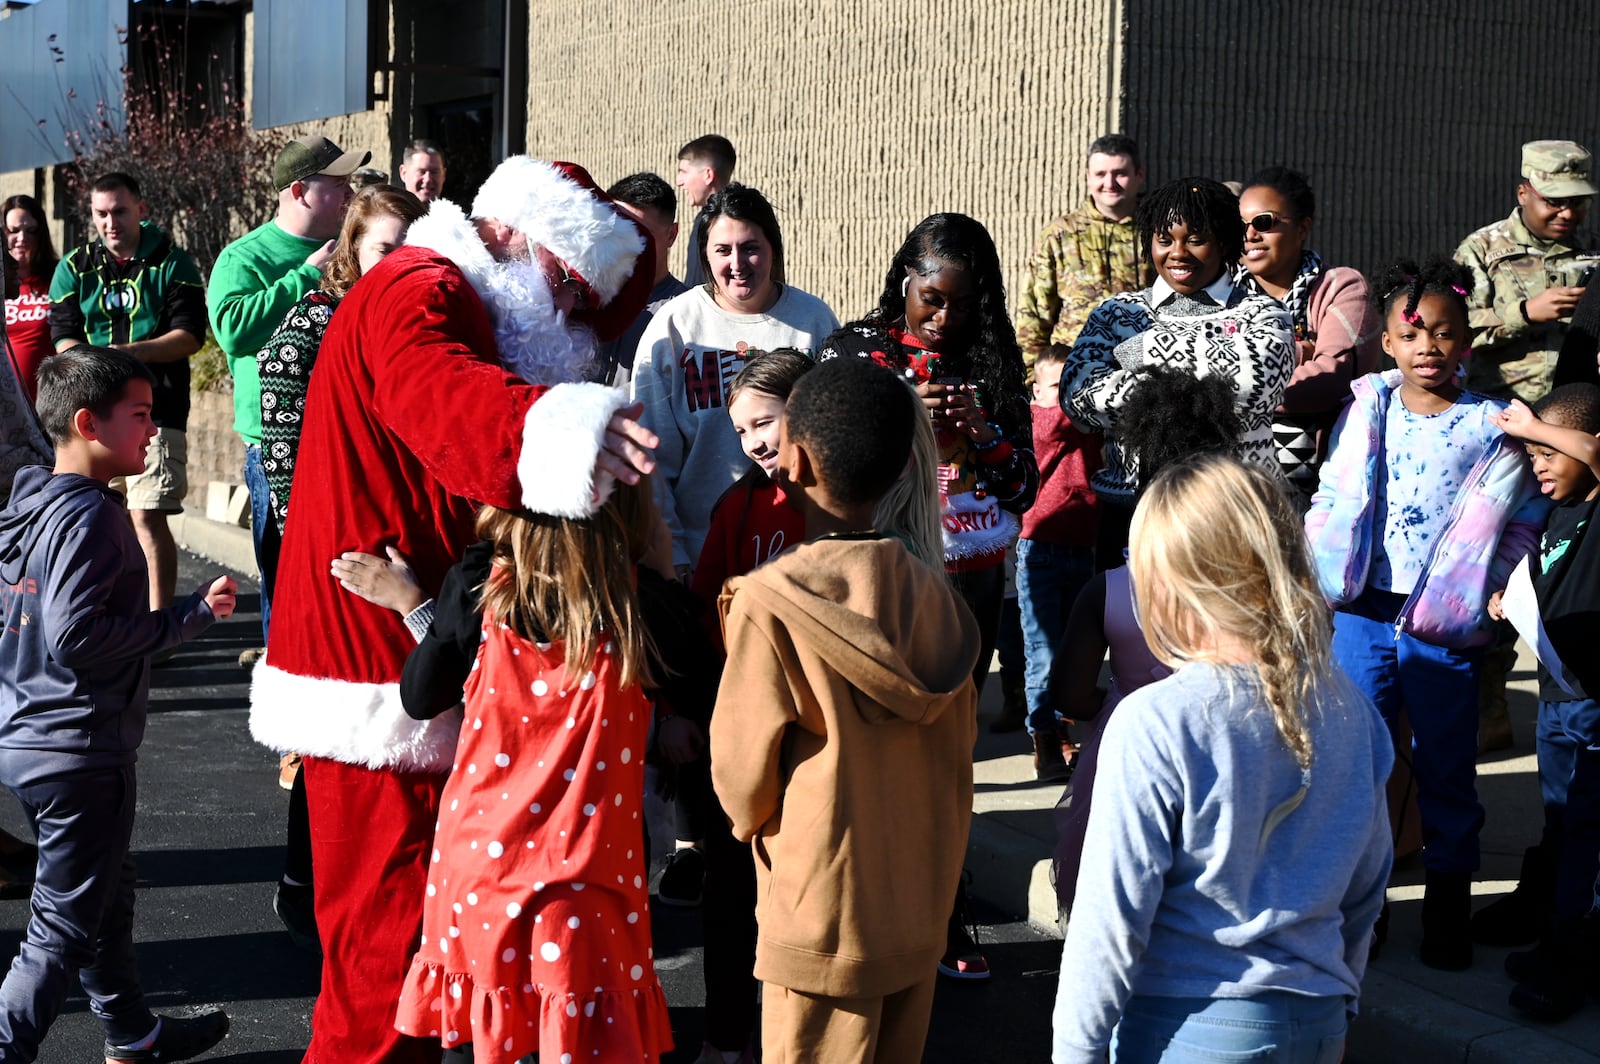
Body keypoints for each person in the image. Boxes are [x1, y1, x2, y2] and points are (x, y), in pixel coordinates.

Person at [245, 155, 657, 1064]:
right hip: (370, 678)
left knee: (425, 964)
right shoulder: (420, 287)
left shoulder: (462, 300)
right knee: (382, 970)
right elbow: (434, 391)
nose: (567, 315)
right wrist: (552, 432)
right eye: (565, 284)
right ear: (515, 234)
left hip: (413, 657)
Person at [1052, 454, 1393, 1064]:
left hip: (1185, 1023)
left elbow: (1110, 922)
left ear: (1169, 579)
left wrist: (1075, 1051)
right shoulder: (1352, 711)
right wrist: (1340, 1002)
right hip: (1317, 1019)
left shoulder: (1156, 717)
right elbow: (1365, 889)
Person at [710, 355, 979, 1064]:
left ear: (793, 460)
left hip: (819, 916)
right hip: (916, 910)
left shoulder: (770, 606)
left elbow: (740, 785)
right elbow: (959, 762)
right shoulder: (940, 603)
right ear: (901, 471)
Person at [1305, 257, 1549, 971]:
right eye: (1413, 335)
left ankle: (1449, 905)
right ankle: (1366, 905)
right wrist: (1319, 578)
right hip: (1363, 614)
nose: (1428, 348)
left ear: (1467, 342)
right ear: (1386, 342)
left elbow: (1523, 516)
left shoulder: (1489, 424)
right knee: (1362, 761)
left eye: (1444, 334)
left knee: (1446, 766)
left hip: (1444, 622)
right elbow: (1332, 496)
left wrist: (1496, 586)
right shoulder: (1368, 407)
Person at [0, 346, 237, 1064]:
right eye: (138, 416)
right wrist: (187, 617)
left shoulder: (29, 503)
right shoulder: (92, 520)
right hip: (79, 752)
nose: (152, 430)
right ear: (86, 424)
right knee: (60, 930)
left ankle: (132, 1033)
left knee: (108, 891)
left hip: (32, 738)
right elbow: (78, 637)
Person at [382, 482, 673, 1063]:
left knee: (479, 1036)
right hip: (587, 886)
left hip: (478, 871)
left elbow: (419, 696)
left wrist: (417, 605)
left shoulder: (476, 592)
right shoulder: (646, 611)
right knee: (577, 1036)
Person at [253, 183, 425, 951]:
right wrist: (309, 548)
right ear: (352, 249)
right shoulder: (313, 325)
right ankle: (303, 878)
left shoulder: (422, 323)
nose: (395, 261)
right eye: (382, 247)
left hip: (405, 553)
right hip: (332, 554)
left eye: (407, 245)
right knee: (329, 724)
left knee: (399, 724)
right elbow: (285, 453)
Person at [1050, 369, 1236, 919]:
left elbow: (1069, 694)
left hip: (1124, 753)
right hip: (1220, 751)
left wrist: (1120, 698)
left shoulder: (1106, 590)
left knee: (1116, 891)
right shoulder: (1242, 587)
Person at [681, 349, 813, 1063]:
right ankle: (726, 1035)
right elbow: (707, 611)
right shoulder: (739, 504)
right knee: (731, 893)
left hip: (822, 742)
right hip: (749, 731)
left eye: (765, 421)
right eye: (742, 430)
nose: (756, 440)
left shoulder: (845, 502)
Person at [1061, 177, 1295, 570]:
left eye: (1195, 239)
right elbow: (1077, 395)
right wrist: (1203, 378)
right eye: (1165, 240)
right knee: (1129, 631)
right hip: (1131, 515)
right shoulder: (1117, 312)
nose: (1178, 253)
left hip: (1234, 514)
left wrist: (1136, 353)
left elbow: (1255, 382)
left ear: (1223, 241)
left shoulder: (1264, 313)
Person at [207, 134, 368, 647]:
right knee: (287, 576)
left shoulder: (357, 246)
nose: (349, 193)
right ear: (299, 190)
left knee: (340, 577)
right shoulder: (245, 257)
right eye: (337, 183)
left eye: (350, 183)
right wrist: (305, 276)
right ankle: (284, 676)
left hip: (347, 434)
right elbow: (232, 329)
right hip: (277, 446)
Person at [631, 183, 837, 579]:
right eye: (723, 250)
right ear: (705, 256)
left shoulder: (814, 321)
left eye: (751, 247)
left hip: (801, 554)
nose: (738, 263)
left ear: (773, 248)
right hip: (701, 556)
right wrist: (673, 554)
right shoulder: (674, 327)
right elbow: (650, 456)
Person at [1480, 385, 1600, 1021]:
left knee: (1587, 836)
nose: (1540, 463)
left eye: (1548, 450)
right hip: (1557, 699)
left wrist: (1538, 426)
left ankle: (1572, 962)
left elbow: (1587, 446)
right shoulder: (1555, 513)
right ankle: (1562, 939)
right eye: (1530, 454)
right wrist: (1511, 602)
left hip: (1593, 702)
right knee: (1561, 827)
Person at [49, 172, 208, 615]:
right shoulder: (74, 266)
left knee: (145, 515)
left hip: (157, 409)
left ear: (141, 209)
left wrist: (126, 354)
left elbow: (190, 335)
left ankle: (159, 629)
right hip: (93, 415)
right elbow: (61, 336)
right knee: (98, 514)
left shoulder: (174, 262)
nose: (110, 222)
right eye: (101, 213)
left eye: (120, 211)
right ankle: (106, 617)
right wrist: (99, 365)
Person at [1234, 166, 1382, 509]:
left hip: (1321, 486)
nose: (1250, 235)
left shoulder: (1341, 288)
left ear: (1303, 227)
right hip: (1232, 481)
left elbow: (1328, 381)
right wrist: (1301, 353)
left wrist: (1234, 380)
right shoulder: (1223, 294)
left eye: (1264, 222)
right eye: (1239, 226)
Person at [1456, 140, 1599, 404]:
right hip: (1499, 409)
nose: (1567, 213)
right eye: (1554, 201)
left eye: (1578, 202)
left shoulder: (1595, 251)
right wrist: (1525, 313)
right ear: (1523, 194)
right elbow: (1455, 331)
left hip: (1577, 415)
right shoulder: (1481, 249)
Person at [1013, 344, 1098, 779]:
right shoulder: (1039, 419)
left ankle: (1063, 730)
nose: (1067, 395)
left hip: (1084, 547)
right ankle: (1044, 737)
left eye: (1073, 385)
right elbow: (1064, 421)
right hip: (1041, 548)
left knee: (1075, 649)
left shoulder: (1084, 422)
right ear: (1035, 391)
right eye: (1056, 386)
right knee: (1044, 649)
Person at [1015, 135, 1152, 376]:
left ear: (1139, 174)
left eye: (1120, 173)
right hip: (1072, 376)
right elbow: (1034, 315)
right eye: (1100, 174)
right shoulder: (1060, 235)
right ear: (1088, 176)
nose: (1109, 183)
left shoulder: (1160, 233)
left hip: (1142, 374)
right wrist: (1032, 382)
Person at [593, 172, 688, 387]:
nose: (626, 245)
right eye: (617, 232)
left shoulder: (685, 312)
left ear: (671, 235)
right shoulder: (579, 298)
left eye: (640, 235)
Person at [4, 194, 59, 401]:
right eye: (13, 230)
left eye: (31, 230)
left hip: (45, 405)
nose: (22, 237)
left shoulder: (57, 277)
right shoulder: (2, 284)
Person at [676, 134, 736, 288]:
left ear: (708, 175)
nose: (679, 182)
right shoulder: (739, 217)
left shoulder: (714, 221)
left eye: (683, 172)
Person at [396, 139, 446, 203]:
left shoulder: (453, 212)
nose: (428, 179)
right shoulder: (388, 212)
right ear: (403, 173)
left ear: (443, 175)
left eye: (434, 172)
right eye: (421, 172)